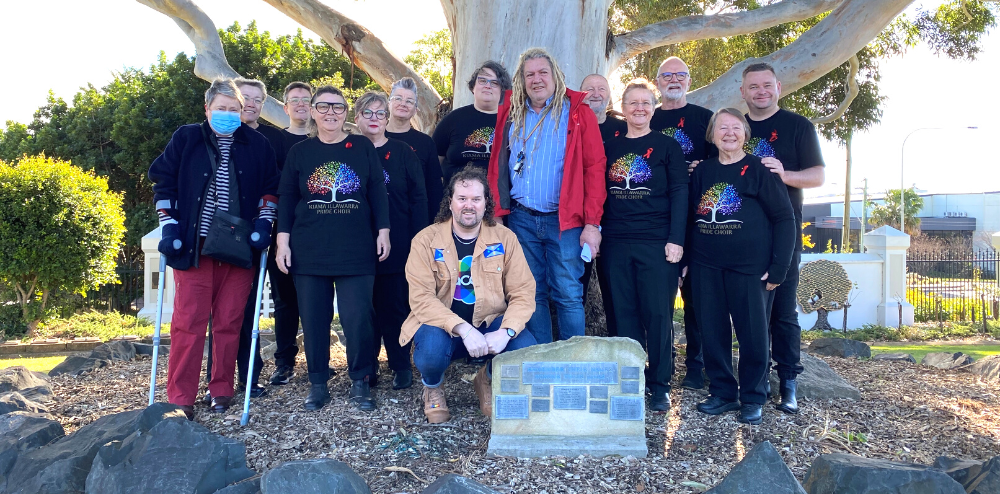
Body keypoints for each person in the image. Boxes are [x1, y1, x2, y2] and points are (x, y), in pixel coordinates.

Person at [148, 79, 279, 420]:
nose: (227, 114)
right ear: (207, 109)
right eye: (220, 108)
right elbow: (164, 182)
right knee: (188, 322)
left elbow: (270, 190)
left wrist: (265, 224)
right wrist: (169, 225)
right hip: (194, 246)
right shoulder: (187, 137)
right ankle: (181, 396)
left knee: (229, 321)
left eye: (233, 109)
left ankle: (221, 389)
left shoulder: (258, 144)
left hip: (239, 248)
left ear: (242, 111)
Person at [275, 85, 391, 412]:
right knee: (313, 319)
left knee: (357, 319)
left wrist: (383, 232)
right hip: (309, 251)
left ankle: (360, 382)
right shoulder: (300, 152)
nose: (331, 112)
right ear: (312, 111)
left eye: (338, 107)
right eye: (324, 106)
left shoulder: (362, 148)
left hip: (357, 250)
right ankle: (317, 384)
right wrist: (283, 241)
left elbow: (377, 194)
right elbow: (287, 198)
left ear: (345, 113)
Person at [487, 48, 607, 344]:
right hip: (521, 219)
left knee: (567, 292)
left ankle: (571, 365)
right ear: (521, 79)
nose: (536, 80)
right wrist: (499, 216)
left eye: (543, 73)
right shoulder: (511, 112)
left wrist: (592, 225)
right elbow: (497, 167)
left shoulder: (578, 112)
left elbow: (594, 169)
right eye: (530, 74)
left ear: (555, 76)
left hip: (565, 222)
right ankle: (541, 361)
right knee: (532, 292)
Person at [402, 166, 537, 423]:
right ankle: (432, 386)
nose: (469, 205)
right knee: (429, 353)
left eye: (476, 199)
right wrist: (463, 329)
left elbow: (523, 291)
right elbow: (421, 298)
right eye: (462, 199)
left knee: (525, 349)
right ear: (450, 202)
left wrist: (506, 332)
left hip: (489, 325)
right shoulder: (425, 240)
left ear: (486, 203)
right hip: (443, 329)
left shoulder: (505, 238)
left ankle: (486, 378)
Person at [688, 108, 795, 425]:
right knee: (712, 331)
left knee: (753, 335)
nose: (729, 133)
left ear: (746, 135)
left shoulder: (759, 170)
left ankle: (752, 396)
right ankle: (722, 392)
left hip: (751, 269)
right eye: (722, 128)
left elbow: (784, 219)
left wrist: (779, 267)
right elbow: (689, 217)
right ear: (712, 135)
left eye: (736, 127)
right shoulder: (703, 172)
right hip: (706, 267)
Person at [598, 79, 688, 412]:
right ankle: (629, 378)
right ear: (622, 108)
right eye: (633, 102)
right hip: (616, 242)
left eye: (646, 103)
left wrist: (676, 240)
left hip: (657, 243)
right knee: (622, 314)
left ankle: (660, 383)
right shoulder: (610, 147)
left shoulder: (667, 148)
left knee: (658, 313)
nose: (639, 108)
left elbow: (681, 193)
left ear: (654, 108)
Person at [740, 62, 825, 414]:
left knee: (784, 312)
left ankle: (788, 380)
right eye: (753, 87)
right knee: (748, 313)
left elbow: (818, 176)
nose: (760, 91)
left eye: (766, 85)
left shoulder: (798, 126)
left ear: (778, 87)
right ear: (742, 92)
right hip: (740, 233)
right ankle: (752, 382)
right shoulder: (733, 127)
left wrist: (783, 174)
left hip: (782, 232)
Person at [201, 77, 275, 402]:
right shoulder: (206, 139)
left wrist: (265, 223)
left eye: (257, 100)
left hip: (250, 239)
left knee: (242, 316)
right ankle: (215, 382)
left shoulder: (265, 142)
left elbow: (272, 186)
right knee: (214, 318)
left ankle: (248, 377)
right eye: (246, 98)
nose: (252, 104)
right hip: (212, 240)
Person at [649, 57, 716, 391]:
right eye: (667, 75)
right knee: (659, 298)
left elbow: (724, 162)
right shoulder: (649, 116)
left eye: (680, 75)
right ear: (657, 82)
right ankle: (660, 362)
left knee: (695, 297)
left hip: (700, 219)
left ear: (689, 80)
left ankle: (695, 365)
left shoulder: (705, 119)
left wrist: (701, 168)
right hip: (657, 220)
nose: (673, 80)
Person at [354, 90, 429, 390]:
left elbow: (419, 198)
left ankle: (400, 365)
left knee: (394, 306)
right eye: (367, 113)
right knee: (362, 309)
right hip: (356, 244)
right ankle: (367, 368)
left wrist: (419, 240)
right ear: (356, 118)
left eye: (380, 113)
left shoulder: (402, 153)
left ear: (387, 118)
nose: (374, 119)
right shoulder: (349, 150)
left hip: (399, 243)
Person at [268, 81, 314, 387]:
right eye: (293, 100)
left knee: (317, 301)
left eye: (305, 100)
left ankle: (318, 361)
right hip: (281, 232)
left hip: (317, 233)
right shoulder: (273, 142)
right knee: (284, 302)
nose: (300, 104)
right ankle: (284, 362)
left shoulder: (325, 141)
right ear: (285, 108)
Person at [579, 74, 625, 333]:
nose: (596, 93)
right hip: (581, 218)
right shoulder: (570, 126)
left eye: (602, 89)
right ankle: (572, 343)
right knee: (576, 285)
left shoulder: (623, 128)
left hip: (616, 219)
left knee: (615, 288)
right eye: (589, 89)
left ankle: (617, 342)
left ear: (609, 94)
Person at [433, 61, 512, 184]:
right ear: (473, 87)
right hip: (454, 199)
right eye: (482, 80)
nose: (488, 85)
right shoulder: (452, 120)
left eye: (495, 83)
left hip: (498, 200)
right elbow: (433, 164)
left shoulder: (513, 123)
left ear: (503, 90)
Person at [385, 77, 444, 221]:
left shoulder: (425, 143)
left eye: (409, 101)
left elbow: (434, 188)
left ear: (415, 110)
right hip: (378, 221)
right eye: (398, 98)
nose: (403, 104)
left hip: (415, 219)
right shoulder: (373, 138)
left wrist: (436, 224)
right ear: (389, 103)